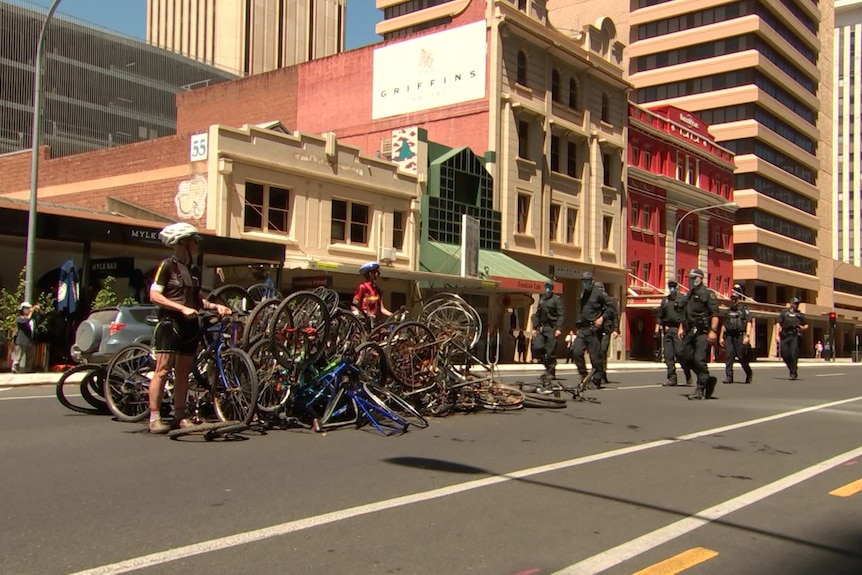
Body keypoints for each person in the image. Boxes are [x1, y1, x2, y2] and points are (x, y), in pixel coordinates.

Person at [147, 222, 232, 434]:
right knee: (163, 369)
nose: (196, 245)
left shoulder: (193, 269)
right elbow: (155, 295)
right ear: (182, 243)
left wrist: (216, 306)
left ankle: (180, 415)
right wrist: (181, 309)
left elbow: (197, 299)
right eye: (194, 241)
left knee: (183, 372)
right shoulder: (167, 266)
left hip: (190, 324)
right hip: (170, 323)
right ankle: (155, 417)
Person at [571, 272, 617, 389]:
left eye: (587, 281)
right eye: (584, 281)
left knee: (595, 357)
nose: (585, 283)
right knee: (576, 352)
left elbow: (612, 307)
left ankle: (597, 380)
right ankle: (584, 375)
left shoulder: (599, 293)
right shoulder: (583, 294)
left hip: (594, 330)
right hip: (583, 329)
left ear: (592, 281)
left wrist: (602, 318)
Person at [679, 268, 719, 400]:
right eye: (690, 278)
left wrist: (713, 331)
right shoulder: (689, 294)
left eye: (694, 277)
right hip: (689, 331)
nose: (691, 280)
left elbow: (715, 314)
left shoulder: (708, 294)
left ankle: (700, 389)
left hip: (702, 331)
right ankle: (707, 378)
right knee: (683, 356)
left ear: (700, 278)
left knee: (699, 359)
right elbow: (685, 313)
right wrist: (681, 327)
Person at [654, 280, 692, 387]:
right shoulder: (665, 301)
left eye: (673, 287)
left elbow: (686, 315)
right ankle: (672, 377)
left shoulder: (683, 299)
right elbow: (660, 316)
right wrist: (656, 330)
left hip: (679, 329)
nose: (672, 289)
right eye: (670, 287)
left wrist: (682, 328)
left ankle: (687, 370)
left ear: (677, 287)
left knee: (680, 353)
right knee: (668, 355)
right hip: (667, 330)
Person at [531, 281, 564, 384]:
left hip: (552, 328)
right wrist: (534, 328)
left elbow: (561, 315)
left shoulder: (556, 300)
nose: (547, 289)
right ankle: (547, 365)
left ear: (552, 288)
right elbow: (537, 314)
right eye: (546, 287)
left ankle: (551, 371)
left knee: (550, 352)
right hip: (543, 328)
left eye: (549, 287)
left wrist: (559, 328)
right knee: (536, 347)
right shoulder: (542, 300)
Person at [719, 284, 753, 384]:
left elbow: (749, 323)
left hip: (739, 335)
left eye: (735, 298)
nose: (734, 300)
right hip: (729, 335)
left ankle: (748, 373)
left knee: (741, 356)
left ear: (739, 299)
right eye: (732, 298)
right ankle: (729, 377)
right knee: (729, 356)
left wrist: (747, 336)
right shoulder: (728, 311)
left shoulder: (744, 310)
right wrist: (721, 337)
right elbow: (724, 325)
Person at [776, 297, 808, 380]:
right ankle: (792, 368)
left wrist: (802, 328)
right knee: (784, 354)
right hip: (785, 335)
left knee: (794, 354)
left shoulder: (800, 315)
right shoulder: (784, 313)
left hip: (794, 335)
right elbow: (778, 324)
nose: (795, 305)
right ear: (790, 303)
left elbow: (806, 325)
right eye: (794, 303)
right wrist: (777, 335)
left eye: (797, 304)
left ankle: (793, 373)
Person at [352, 261, 392, 327]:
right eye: (377, 272)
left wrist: (393, 315)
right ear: (370, 274)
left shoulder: (377, 290)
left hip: (375, 323)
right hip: (364, 322)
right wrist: (360, 314)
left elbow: (382, 309)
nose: (378, 274)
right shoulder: (363, 287)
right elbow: (354, 305)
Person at [596, 282, 619, 385]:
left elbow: (615, 315)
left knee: (602, 351)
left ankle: (602, 373)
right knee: (596, 352)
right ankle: (597, 373)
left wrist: (616, 329)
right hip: (596, 330)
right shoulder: (594, 301)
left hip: (606, 329)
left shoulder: (608, 301)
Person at [12, 302, 42, 373]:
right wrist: (30, 313)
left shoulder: (32, 319)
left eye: (29, 308)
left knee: (30, 357)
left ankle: (28, 370)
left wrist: (39, 309)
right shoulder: (19, 318)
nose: (28, 310)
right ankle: (15, 368)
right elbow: (25, 321)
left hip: (31, 341)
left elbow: (42, 316)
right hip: (22, 341)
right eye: (26, 308)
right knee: (18, 356)